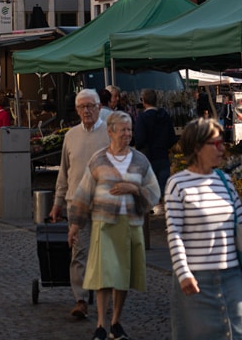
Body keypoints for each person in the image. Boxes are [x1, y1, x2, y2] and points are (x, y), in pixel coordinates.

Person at [67, 111, 161, 340]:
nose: (127, 134)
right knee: (104, 276)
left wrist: (135, 189)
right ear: (110, 132)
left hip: (130, 225)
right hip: (104, 225)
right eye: (123, 130)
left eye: (130, 129)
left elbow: (154, 192)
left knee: (123, 277)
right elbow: (83, 193)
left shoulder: (140, 160)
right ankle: (100, 324)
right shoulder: (98, 160)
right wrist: (75, 225)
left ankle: (116, 322)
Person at [164, 117, 242, 340]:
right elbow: (174, 232)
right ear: (197, 148)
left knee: (240, 334)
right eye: (216, 144)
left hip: (231, 276)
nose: (222, 149)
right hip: (197, 281)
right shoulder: (177, 184)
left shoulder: (224, 180)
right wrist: (183, 272)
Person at [48, 88, 111, 320]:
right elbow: (64, 173)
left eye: (90, 106)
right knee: (79, 251)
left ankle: (106, 298)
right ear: (76, 110)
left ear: (99, 108)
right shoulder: (70, 136)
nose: (86, 110)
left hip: (105, 202)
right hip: (76, 203)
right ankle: (81, 299)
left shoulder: (110, 133)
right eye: (82, 106)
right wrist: (57, 203)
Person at [133, 88, 177, 201]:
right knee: (163, 190)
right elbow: (172, 138)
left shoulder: (142, 118)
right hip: (163, 157)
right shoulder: (165, 115)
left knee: (150, 191)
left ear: (143, 101)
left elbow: (139, 139)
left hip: (148, 158)